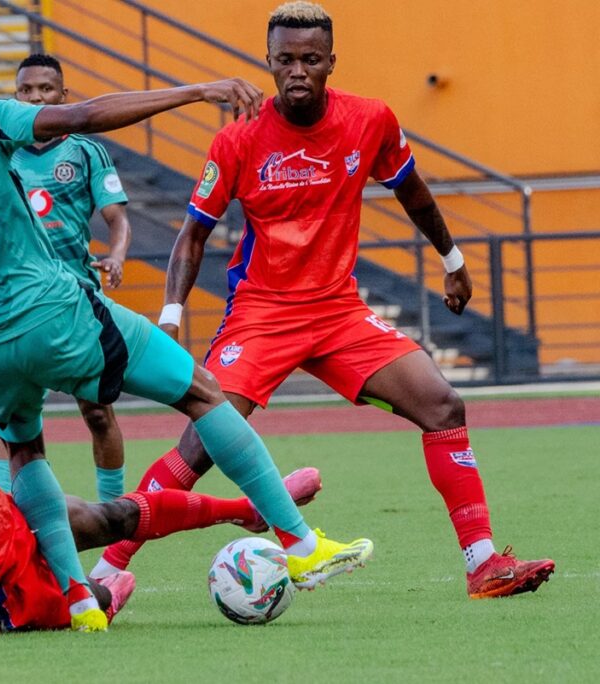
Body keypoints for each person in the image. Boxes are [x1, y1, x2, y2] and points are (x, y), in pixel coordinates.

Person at [0, 27, 372, 633]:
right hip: (52, 311)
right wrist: (198, 90)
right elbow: (88, 114)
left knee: (23, 449)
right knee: (202, 392)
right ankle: (303, 546)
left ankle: (78, 601)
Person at [93, 2, 554, 600]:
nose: (298, 71)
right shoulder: (237, 140)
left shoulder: (371, 120)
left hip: (338, 312)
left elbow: (412, 191)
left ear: (331, 62)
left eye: (311, 59)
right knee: (202, 443)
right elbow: (192, 236)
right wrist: (172, 317)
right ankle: (103, 572)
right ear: (268, 61)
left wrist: (453, 260)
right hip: (261, 313)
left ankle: (484, 562)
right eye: (285, 59)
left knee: (443, 405)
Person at [0, 209, 323, 642]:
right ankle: (108, 592)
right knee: (100, 599)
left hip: (3, 513)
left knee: (110, 516)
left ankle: (246, 511)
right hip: (10, 595)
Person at [0, 53, 133, 501]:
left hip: (76, 293)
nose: (35, 97)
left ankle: (114, 510)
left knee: (97, 412)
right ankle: (1, 512)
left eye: (45, 90)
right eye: (26, 90)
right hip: (10, 294)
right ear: (15, 95)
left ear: (62, 96)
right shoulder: (0, 149)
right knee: (8, 416)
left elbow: (117, 217)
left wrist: (115, 256)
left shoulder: (85, 151)